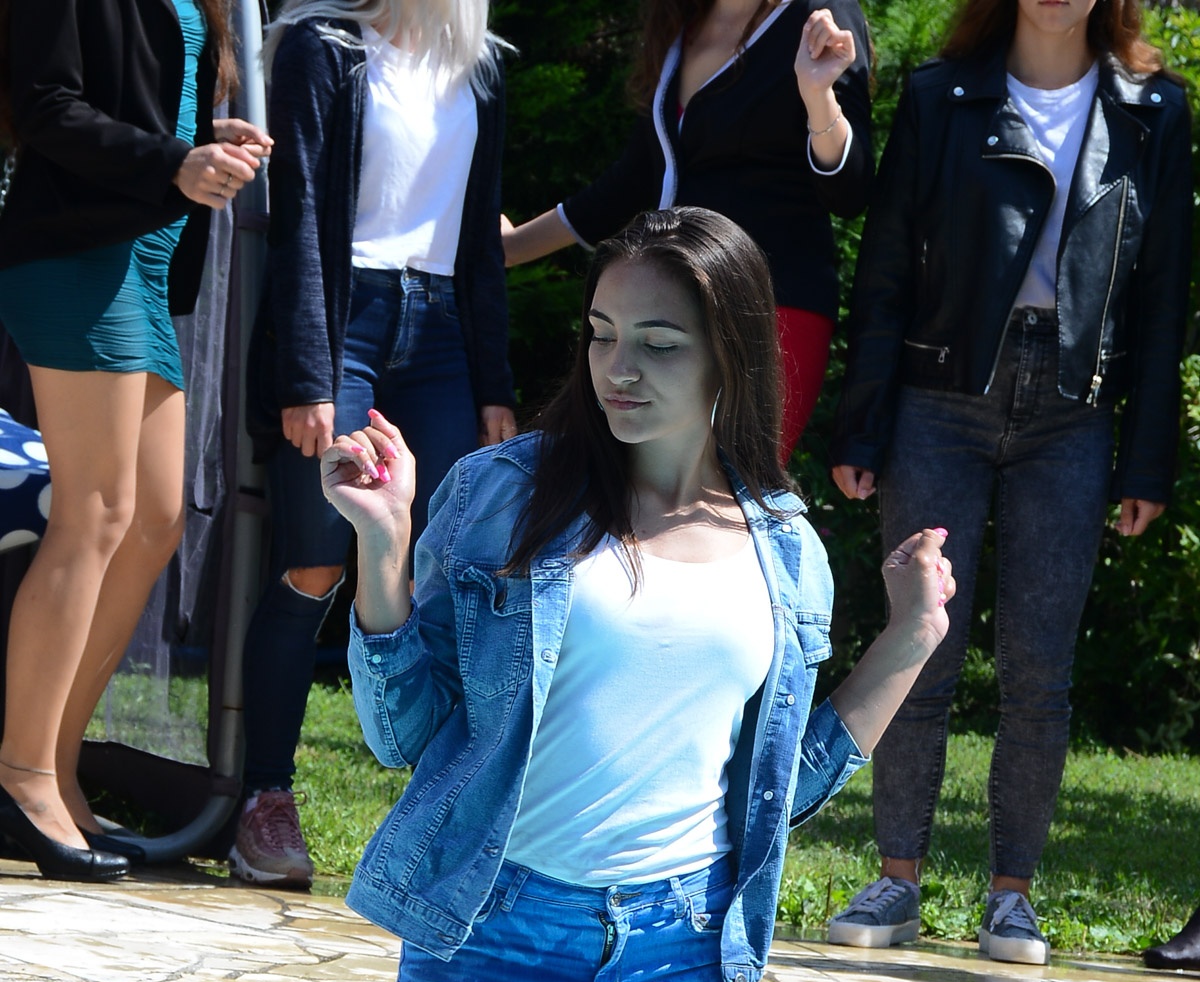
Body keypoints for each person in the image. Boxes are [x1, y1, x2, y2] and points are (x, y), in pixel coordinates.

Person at [321, 208, 954, 982]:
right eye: (603, 333)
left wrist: (912, 638)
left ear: (730, 356)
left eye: (658, 344)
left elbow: (778, 791)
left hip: (679, 958)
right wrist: (384, 548)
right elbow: (401, 732)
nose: (618, 367)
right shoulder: (504, 493)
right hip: (486, 942)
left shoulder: (785, 552)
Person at [826, 0, 1192, 965]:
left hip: (1075, 408)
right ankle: (896, 880)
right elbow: (885, 272)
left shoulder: (1153, 108)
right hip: (938, 397)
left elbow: (1163, 297)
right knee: (921, 645)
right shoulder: (942, 96)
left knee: (1039, 669)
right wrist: (862, 420)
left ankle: (1012, 897)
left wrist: (1147, 457)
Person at [234, 0, 516, 890]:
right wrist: (306, 373)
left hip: (442, 335)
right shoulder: (323, 47)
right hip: (343, 326)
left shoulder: (482, 65)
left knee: (449, 571)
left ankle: (448, 815)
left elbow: (480, 239)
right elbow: (300, 215)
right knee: (316, 561)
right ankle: (264, 800)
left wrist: (496, 384)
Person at [0, 0, 269, 882]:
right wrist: (174, 162)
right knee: (96, 513)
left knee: (154, 520)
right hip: (76, 253)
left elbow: (138, 98)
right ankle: (22, 775)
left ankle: (57, 766)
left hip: (146, 260)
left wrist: (204, 141)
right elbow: (45, 104)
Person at [501, 0, 872, 459]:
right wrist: (512, 246)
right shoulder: (680, 24)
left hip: (769, 307)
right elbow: (634, 180)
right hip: (664, 303)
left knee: (732, 481)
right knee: (629, 480)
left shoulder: (819, 15)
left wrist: (818, 96)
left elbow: (849, 189)